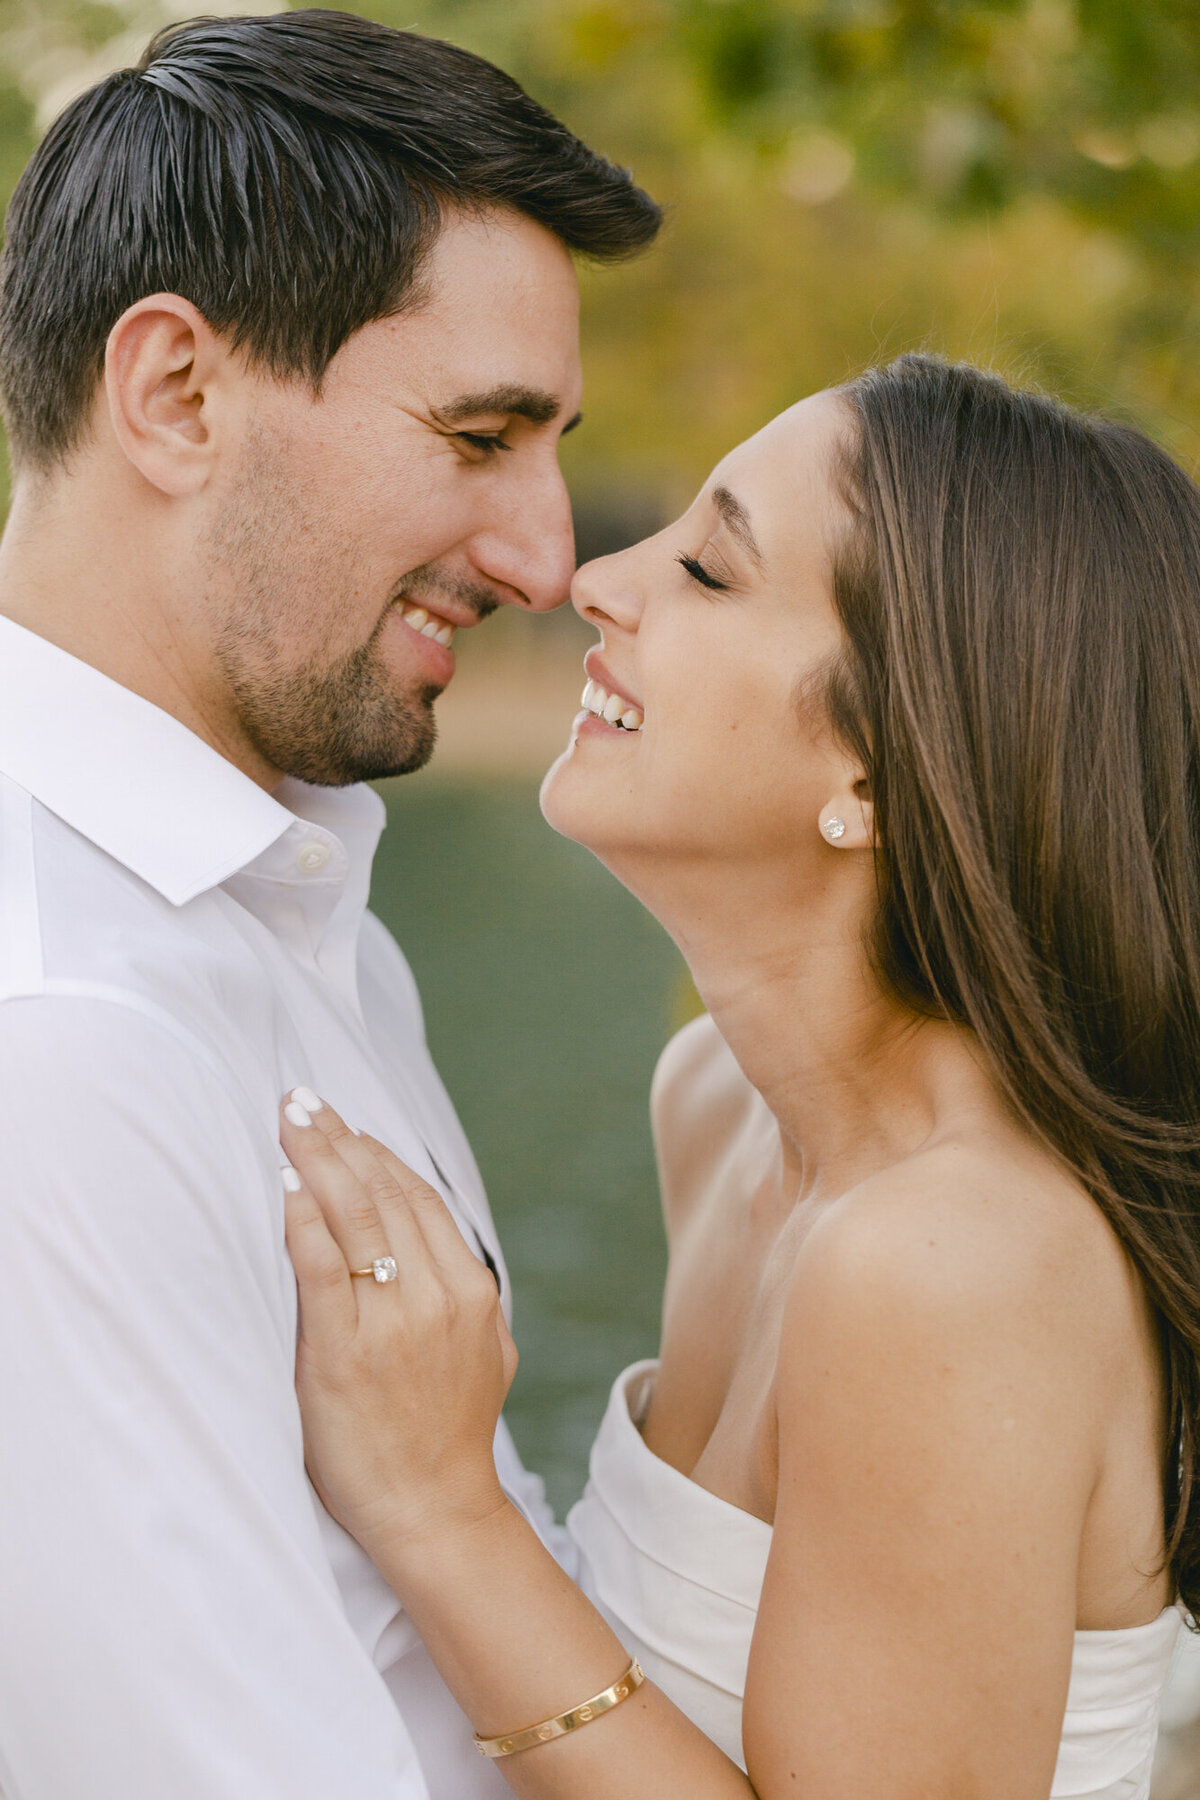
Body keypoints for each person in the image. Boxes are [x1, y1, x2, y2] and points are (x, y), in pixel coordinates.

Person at [278, 354, 1200, 1800]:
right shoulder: (713, 1103)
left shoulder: (950, 1263)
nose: (597, 579)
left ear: (878, 773)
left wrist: (446, 1511)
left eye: (708, 572)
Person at [0, 13, 660, 1799]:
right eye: (477, 433)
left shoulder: (305, 919)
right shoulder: (56, 1043)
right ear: (177, 395)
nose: (544, 556)